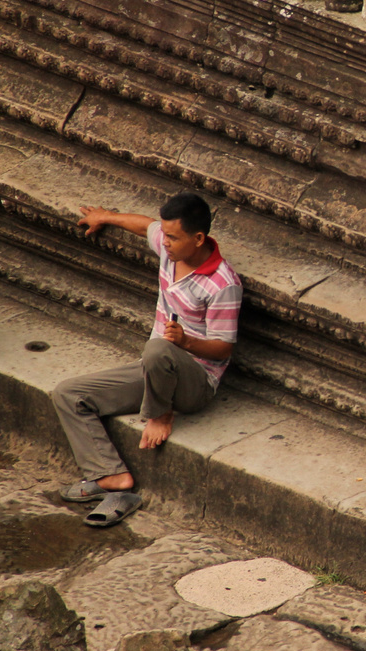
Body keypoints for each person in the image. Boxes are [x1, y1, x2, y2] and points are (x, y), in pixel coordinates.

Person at [50, 191, 242, 527]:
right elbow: (145, 227)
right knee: (68, 393)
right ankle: (110, 475)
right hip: (155, 368)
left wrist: (188, 342)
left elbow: (223, 348)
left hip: (195, 382)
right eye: (165, 236)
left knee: (158, 349)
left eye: (173, 237)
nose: (164, 242)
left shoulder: (222, 283)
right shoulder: (170, 251)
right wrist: (106, 215)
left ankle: (160, 411)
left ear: (198, 239)